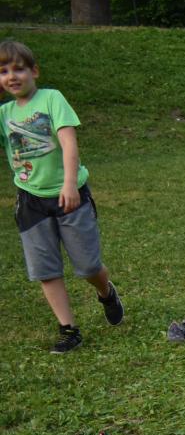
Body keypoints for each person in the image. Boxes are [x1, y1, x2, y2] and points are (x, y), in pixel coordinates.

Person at [1, 39, 123, 354]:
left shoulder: (52, 98)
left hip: (70, 195)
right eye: (3, 71)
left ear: (34, 71)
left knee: (88, 267)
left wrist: (69, 184)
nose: (11, 76)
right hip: (30, 200)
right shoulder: (4, 113)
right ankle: (69, 329)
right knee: (46, 271)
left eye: (18, 69)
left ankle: (106, 292)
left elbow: (69, 143)